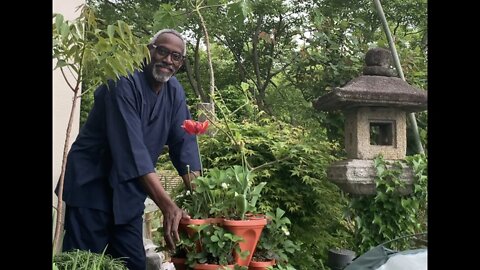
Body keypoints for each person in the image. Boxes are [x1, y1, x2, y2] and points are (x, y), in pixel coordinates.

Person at [56, 29, 201, 270]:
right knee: (85, 263)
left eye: (176, 57)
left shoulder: (174, 92)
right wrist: (167, 205)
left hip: (128, 195)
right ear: (149, 50)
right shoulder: (121, 81)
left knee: (132, 263)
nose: (168, 60)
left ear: (181, 63)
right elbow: (133, 151)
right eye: (162, 51)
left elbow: (184, 145)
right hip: (90, 188)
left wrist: (202, 199)